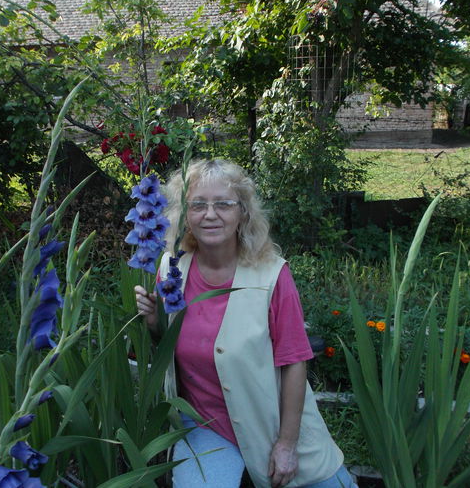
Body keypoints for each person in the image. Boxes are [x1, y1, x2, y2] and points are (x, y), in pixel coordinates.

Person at [135, 159, 357, 488]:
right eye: (197, 205)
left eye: (223, 204)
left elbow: (294, 362)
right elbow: (171, 344)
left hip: (270, 421)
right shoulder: (172, 270)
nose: (210, 215)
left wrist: (287, 444)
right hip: (205, 426)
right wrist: (155, 322)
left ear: (243, 212)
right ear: (183, 214)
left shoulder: (271, 275)